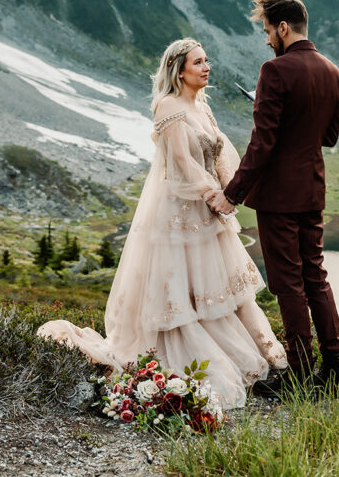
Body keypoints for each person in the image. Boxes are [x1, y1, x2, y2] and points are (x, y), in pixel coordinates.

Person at [38, 38, 286, 410]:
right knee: (185, 290)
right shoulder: (168, 107)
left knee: (220, 290)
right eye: (198, 62)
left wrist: (232, 190)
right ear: (179, 69)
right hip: (182, 213)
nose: (206, 67)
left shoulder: (201, 105)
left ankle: (266, 358)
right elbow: (182, 162)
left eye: (207, 61)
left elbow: (219, 150)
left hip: (209, 209)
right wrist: (211, 195)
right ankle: (203, 360)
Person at [205, 0, 339, 396]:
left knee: (288, 284)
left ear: (283, 28)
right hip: (312, 189)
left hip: (279, 198)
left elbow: (262, 144)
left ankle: (300, 375)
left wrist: (232, 194)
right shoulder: (333, 71)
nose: (267, 39)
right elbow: (330, 137)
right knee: (315, 277)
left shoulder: (275, 72)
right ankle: (335, 369)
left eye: (268, 31)